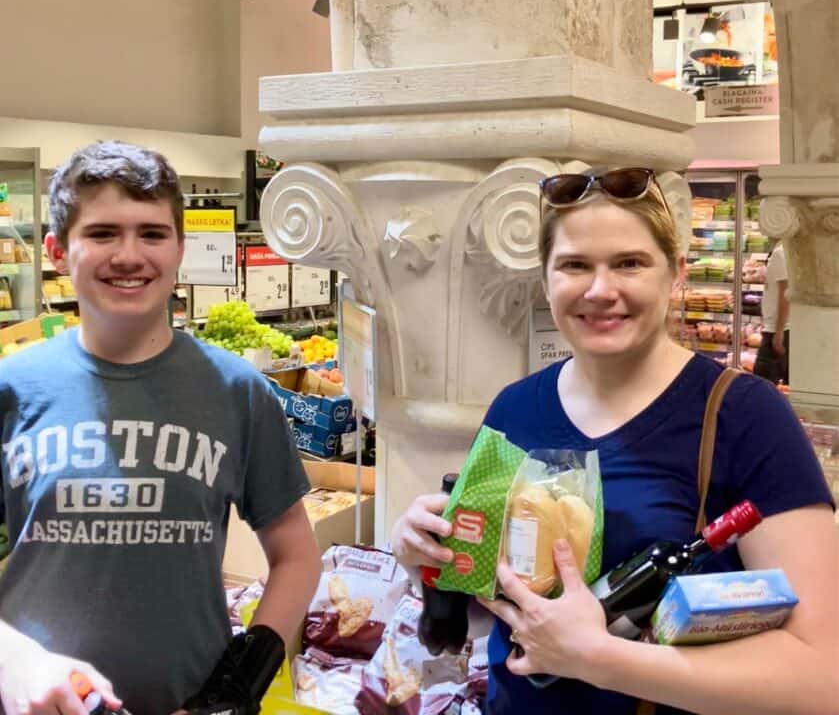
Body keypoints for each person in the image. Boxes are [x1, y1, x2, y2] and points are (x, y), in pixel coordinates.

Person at [392, 167, 836, 715]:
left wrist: (599, 659)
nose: (601, 290)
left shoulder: (745, 415)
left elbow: (821, 675)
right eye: (575, 265)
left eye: (629, 263)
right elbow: (496, 611)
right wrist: (427, 558)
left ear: (674, 273)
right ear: (546, 277)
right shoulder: (515, 409)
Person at [0, 142, 321, 715]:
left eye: (151, 233)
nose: (130, 255)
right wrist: (15, 662)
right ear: (56, 251)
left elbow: (296, 555)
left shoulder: (236, 391)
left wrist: (240, 684)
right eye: (102, 234)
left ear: (179, 249)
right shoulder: (13, 387)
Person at [753, 243, 790, 384]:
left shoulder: (780, 253)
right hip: (781, 327)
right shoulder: (786, 251)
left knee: (761, 383)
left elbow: (785, 293)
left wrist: (778, 332)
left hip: (778, 329)